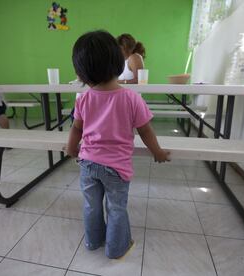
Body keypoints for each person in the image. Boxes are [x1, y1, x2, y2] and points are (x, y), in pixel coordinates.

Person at [66, 30, 170, 259]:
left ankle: (93, 241)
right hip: (116, 169)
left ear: (80, 72)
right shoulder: (132, 98)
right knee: (115, 208)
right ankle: (116, 248)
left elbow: (76, 128)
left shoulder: (83, 98)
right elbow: (146, 131)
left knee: (91, 206)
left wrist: (71, 148)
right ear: (118, 62)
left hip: (88, 164)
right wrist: (158, 152)